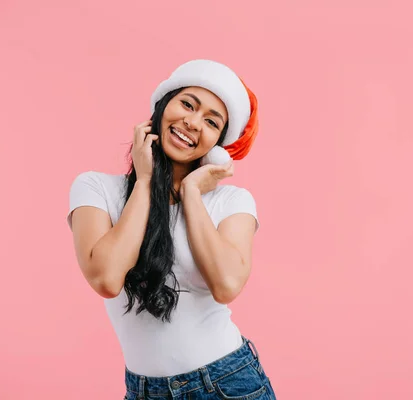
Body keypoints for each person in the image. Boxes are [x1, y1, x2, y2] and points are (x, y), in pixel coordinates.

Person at [67, 59, 276, 399]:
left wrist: (192, 193)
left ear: (218, 145)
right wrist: (146, 179)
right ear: (163, 106)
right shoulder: (96, 189)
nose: (192, 122)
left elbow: (226, 285)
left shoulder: (232, 202)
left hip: (226, 384)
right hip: (144, 390)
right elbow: (105, 278)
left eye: (211, 121)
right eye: (187, 104)